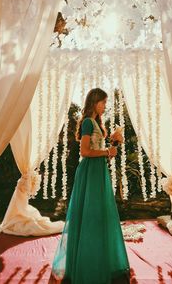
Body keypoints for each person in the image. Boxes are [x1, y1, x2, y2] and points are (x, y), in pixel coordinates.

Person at [52, 88, 130, 284]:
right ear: (94, 102)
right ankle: (87, 263)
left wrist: (114, 144)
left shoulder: (95, 122)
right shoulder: (88, 122)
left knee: (97, 214)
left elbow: (100, 150)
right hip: (90, 171)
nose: (105, 106)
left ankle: (97, 258)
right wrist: (106, 151)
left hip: (98, 171)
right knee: (90, 214)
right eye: (103, 102)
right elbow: (85, 151)